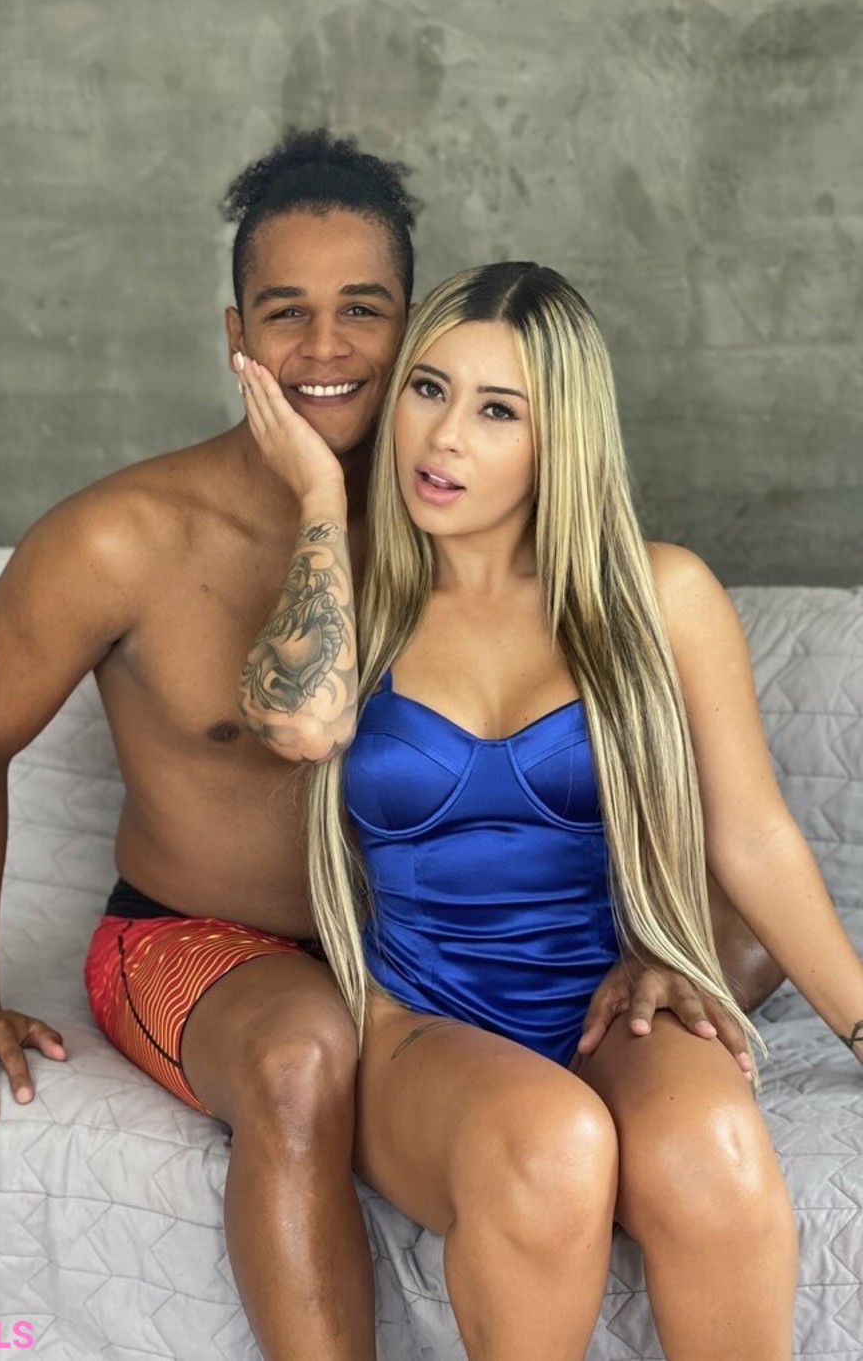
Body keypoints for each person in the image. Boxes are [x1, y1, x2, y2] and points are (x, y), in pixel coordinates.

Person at [0, 127, 781, 1361]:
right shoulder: (122, 536)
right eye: (287, 313)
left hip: (431, 962)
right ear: (236, 334)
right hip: (210, 938)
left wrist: (666, 950)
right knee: (301, 1054)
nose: (325, 349)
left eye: (363, 311)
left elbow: (670, 800)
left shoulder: (476, 515)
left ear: (415, 326)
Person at [236, 260, 863, 1360]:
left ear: (557, 439)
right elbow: (295, 720)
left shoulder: (660, 596)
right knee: (553, 1142)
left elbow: (753, 834)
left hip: (607, 1003)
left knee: (714, 1152)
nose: (443, 439)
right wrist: (324, 500)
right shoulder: (355, 600)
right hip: (418, 1022)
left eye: (497, 411)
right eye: (428, 389)